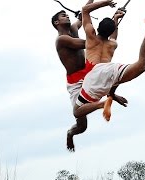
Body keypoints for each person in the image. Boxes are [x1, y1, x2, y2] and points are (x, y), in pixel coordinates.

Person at [51, 0, 127, 152]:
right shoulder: (61, 39)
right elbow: (92, 42)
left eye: (67, 14)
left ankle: (110, 97)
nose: (67, 16)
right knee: (82, 126)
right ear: (56, 22)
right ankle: (70, 134)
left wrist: (110, 22)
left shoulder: (73, 27)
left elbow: (85, 15)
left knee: (104, 72)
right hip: (75, 82)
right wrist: (109, 24)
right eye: (63, 15)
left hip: (88, 73)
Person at [73, 0, 145, 118]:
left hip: (94, 74)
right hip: (111, 71)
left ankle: (101, 104)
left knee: (77, 112)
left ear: (97, 28)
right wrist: (115, 19)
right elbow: (114, 34)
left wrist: (105, 3)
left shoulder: (91, 37)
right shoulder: (112, 44)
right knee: (141, 65)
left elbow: (85, 9)